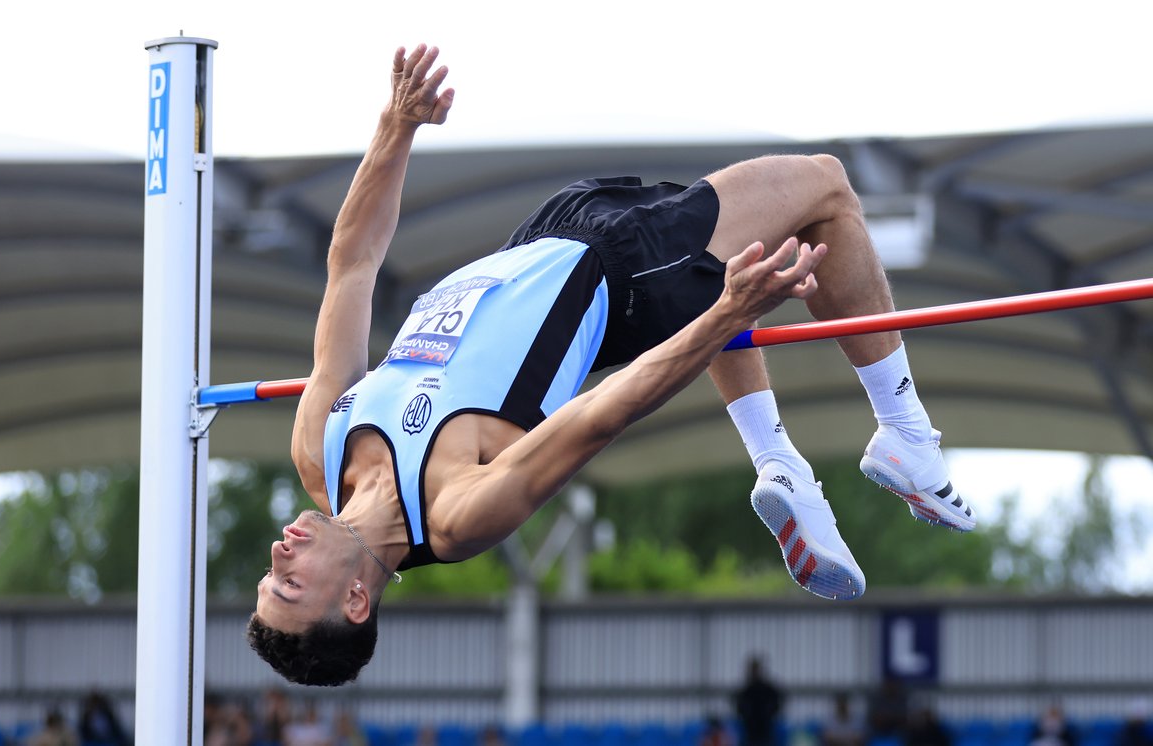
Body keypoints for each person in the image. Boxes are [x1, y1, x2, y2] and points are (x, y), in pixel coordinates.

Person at [246, 43, 975, 686]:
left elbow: (353, 267)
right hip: (621, 276)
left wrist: (395, 127)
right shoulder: (457, 514)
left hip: (540, 239)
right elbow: (603, 413)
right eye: (287, 584)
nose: (278, 555)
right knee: (825, 187)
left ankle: (780, 461)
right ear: (352, 601)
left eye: (266, 575)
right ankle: (905, 433)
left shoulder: (319, 448)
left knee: (746, 243)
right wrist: (728, 313)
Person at [733, 657, 784, 746]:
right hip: (750, 730)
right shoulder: (746, 690)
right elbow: (738, 704)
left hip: (765, 729)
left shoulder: (767, 688)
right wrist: (744, 714)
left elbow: (778, 699)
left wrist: (771, 713)